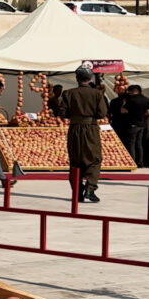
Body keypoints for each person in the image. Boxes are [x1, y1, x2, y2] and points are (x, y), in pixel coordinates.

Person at [58, 68, 108, 202]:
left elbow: (62, 112)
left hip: (74, 128)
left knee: (75, 160)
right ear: (90, 78)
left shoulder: (68, 93)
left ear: (77, 78)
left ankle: (77, 192)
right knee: (94, 159)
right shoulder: (97, 93)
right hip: (90, 128)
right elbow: (102, 113)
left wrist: (75, 115)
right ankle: (90, 188)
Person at [120, 84, 149, 168]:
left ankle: (132, 161)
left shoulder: (130, 100)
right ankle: (140, 162)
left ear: (134, 91)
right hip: (143, 124)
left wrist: (124, 104)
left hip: (133, 124)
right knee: (139, 144)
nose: (129, 93)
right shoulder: (147, 100)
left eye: (130, 91)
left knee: (131, 143)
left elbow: (123, 111)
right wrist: (142, 116)